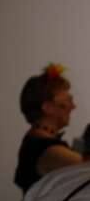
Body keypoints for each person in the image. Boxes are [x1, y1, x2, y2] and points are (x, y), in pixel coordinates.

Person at [14, 64, 83, 193]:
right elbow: (85, 167)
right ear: (48, 108)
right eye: (68, 101)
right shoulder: (48, 149)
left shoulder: (35, 140)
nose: (73, 106)